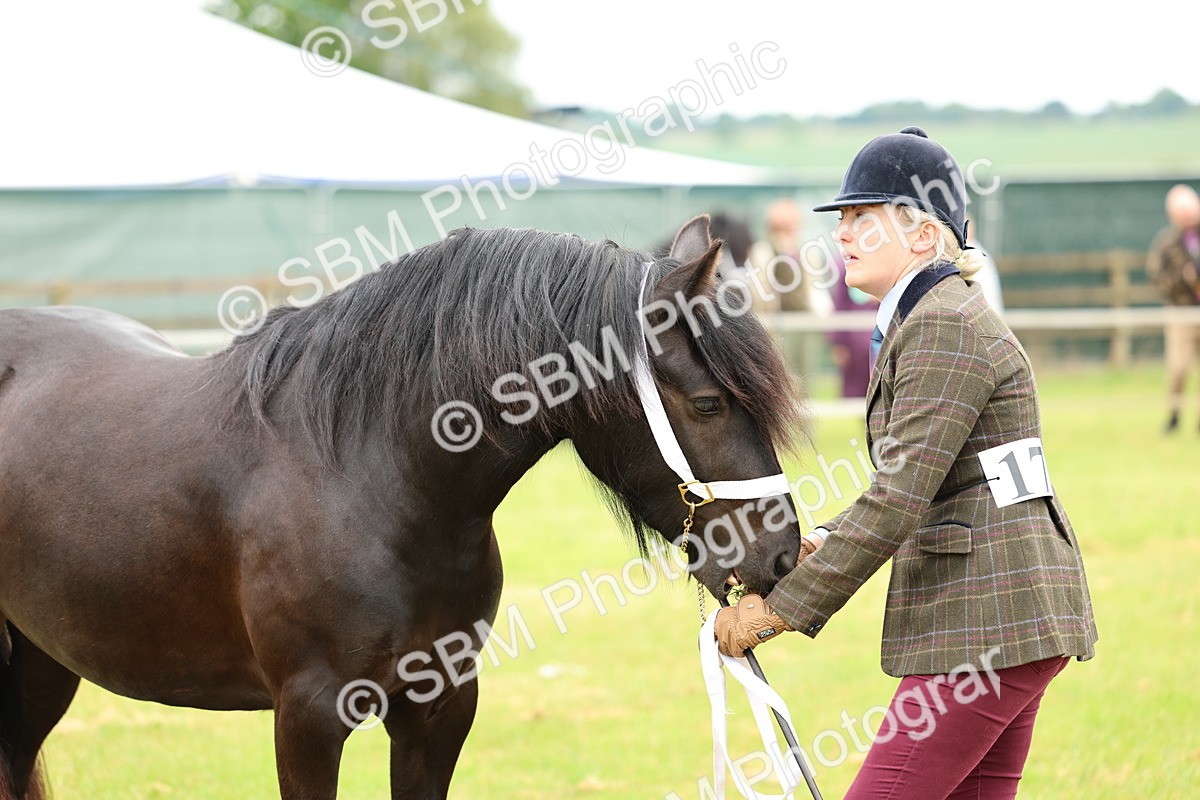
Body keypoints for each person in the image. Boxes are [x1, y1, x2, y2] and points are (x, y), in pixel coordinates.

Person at [715, 127, 1098, 800]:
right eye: (843, 220)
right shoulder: (933, 314)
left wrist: (775, 611)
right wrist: (825, 538)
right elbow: (923, 480)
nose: (842, 234)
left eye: (864, 218)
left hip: (991, 621)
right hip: (1011, 619)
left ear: (923, 237)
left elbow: (898, 497)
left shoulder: (942, 322)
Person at [1145, 184, 1200, 433]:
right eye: (1182, 212)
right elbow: (1157, 277)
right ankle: (1175, 415)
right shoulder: (1167, 243)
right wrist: (1184, 278)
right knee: (1179, 369)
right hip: (1181, 313)